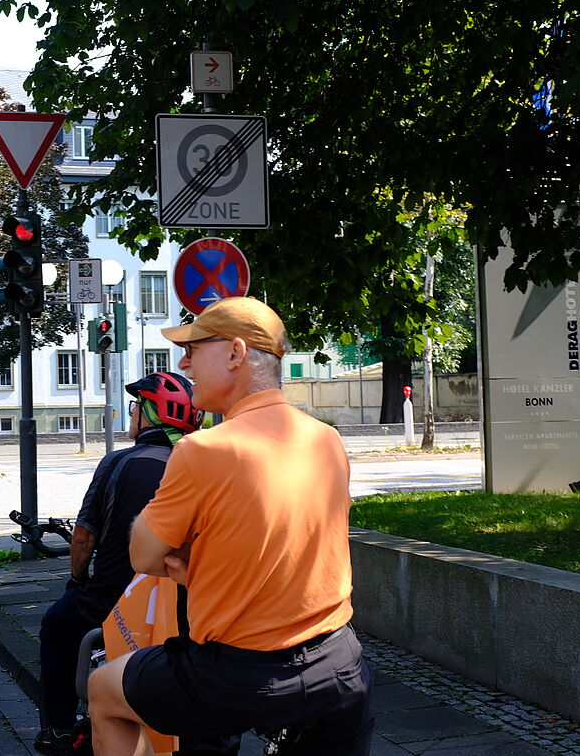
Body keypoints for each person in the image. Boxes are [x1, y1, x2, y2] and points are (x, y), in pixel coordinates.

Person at [88, 296, 374, 756]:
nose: (184, 362)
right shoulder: (326, 439)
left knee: (103, 690)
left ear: (236, 354)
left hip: (239, 676)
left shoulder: (204, 450)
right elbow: (288, 540)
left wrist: (183, 551)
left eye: (194, 348)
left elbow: (143, 557)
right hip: (338, 663)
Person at [34, 372, 203, 756]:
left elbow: (83, 538)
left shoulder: (119, 463)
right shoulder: (202, 466)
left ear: (149, 413)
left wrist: (76, 581)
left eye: (135, 406)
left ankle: (58, 729)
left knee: (55, 626)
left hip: (112, 601)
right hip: (186, 606)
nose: (131, 414)